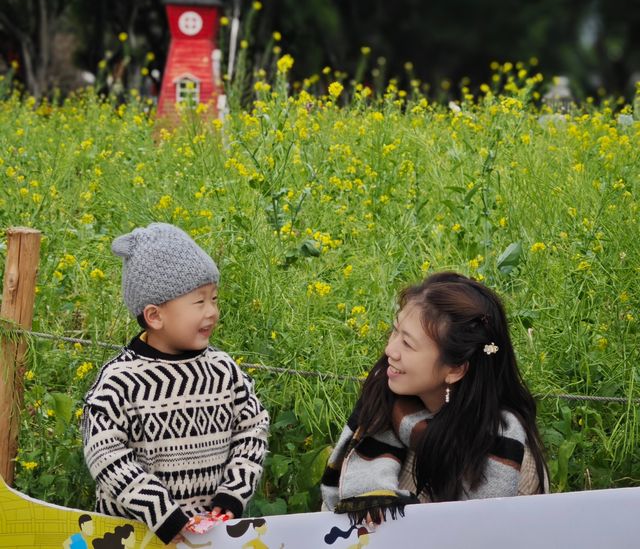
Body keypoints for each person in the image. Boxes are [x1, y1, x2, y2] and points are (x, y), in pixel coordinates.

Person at [82, 223, 270, 546]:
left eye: (214, 298)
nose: (212, 311)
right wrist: (162, 512)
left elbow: (253, 427)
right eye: (199, 302)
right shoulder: (120, 382)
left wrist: (233, 492)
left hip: (209, 536)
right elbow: (105, 454)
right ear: (154, 316)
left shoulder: (223, 371)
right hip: (136, 537)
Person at [321, 271, 547, 521]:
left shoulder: (507, 455)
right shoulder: (383, 411)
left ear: (455, 369)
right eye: (395, 331)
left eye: (407, 343)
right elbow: (333, 520)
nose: (390, 350)